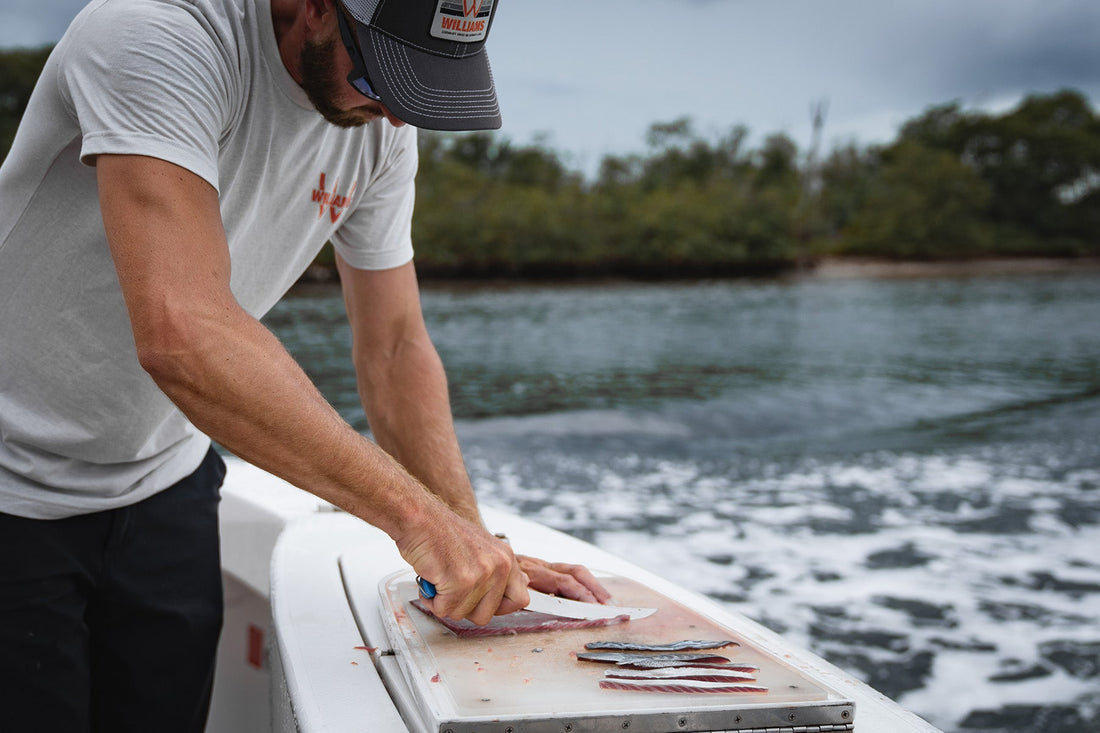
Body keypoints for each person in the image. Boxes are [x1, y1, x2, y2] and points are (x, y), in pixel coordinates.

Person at [0, 0, 610, 729]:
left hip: (165, 482)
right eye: (383, 77)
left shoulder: (381, 126)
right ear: (315, 7)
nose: (394, 113)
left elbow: (394, 346)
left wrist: (472, 541)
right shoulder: (154, 32)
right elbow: (182, 331)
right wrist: (417, 519)